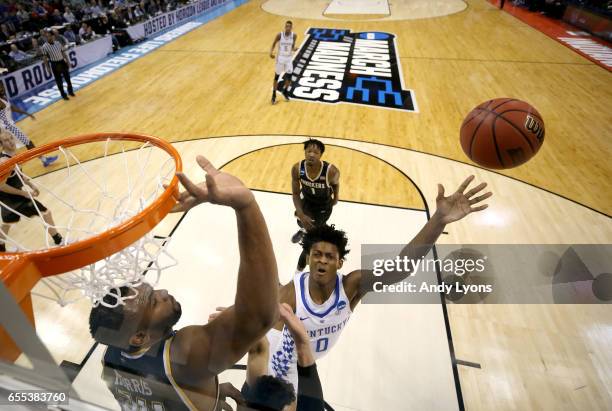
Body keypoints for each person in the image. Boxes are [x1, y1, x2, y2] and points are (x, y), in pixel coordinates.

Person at [268, 176, 492, 407]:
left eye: (330, 256)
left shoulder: (352, 285)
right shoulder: (291, 296)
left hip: (308, 362)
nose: (322, 261)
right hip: (283, 362)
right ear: (308, 258)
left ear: (340, 263)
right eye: (317, 255)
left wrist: (438, 220)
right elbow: (271, 347)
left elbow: (400, 269)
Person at [89, 156, 280, 411]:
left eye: (153, 291)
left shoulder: (109, 359)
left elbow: (157, 393)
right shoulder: (183, 358)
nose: (164, 292)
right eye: (153, 302)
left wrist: (205, 393)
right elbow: (259, 316)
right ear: (139, 337)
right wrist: (246, 207)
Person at [0, 130, 63, 252]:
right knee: (45, 212)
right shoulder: (4, 161)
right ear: (2, 145)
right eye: (6, 140)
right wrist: (24, 193)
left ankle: (1, 250)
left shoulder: (13, 155)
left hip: (9, 196)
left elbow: (18, 174)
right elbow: (1, 186)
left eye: (11, 138)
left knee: (9, 222)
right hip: (8, 197)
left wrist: (31, 184)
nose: (10, 142)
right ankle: (59, 240)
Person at [291, 139, 339, 272]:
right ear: (305, 152)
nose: (311, 154)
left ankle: (297, 273)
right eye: (309, 151)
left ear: (321, 155)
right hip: (306, 200)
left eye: (316, 152)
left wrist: (336, 198)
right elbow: (295, 193)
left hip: (322, 206)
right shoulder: (297, 168)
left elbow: (335, 184)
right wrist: (300, 213)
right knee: (302, 221)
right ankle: (302, 230)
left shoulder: (331, 171)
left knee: (311, 241)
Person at [0, 82, 58, 167]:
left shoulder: (4, 97)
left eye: (2, 86)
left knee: (11, 149)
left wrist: (27, 113)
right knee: (28, 143)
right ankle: (44, 160)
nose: (1, 88)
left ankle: (11, 167)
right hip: (9, 128)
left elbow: (12, 108)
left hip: (10, 126)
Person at [269, 21, 297, 105]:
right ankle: (273, 95)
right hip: (280, 58)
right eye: (286, 26)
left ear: (291, 28)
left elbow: (292, 47)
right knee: (276, 77)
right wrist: (271, 52)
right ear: (285, 27)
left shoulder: (294, 36)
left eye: (289, 26)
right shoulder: (280, 35)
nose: (288, 28)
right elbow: (273, 44)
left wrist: (294, 49)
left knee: (289, 78)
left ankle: (284, 91)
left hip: (288, 59)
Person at [41, 31, 75, 100]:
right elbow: (45, 58)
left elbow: (63, 53)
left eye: (49, 36)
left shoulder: (58, 43)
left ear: (52, 36)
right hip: (54, 64)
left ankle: (70, 91)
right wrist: (47, 68)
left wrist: (68, 61)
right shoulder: (44, 47)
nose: (48, 38)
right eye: (46, 37)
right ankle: (63, 94)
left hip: (62, 61)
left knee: (67, 78)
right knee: (59, 81)